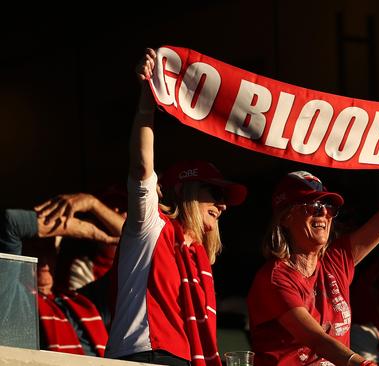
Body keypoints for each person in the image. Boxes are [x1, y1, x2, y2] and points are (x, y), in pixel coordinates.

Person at [247, 114, 379, 366]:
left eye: (327, 206)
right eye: (312, 204)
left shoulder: (336, 259)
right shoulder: (274, 278)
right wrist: (363, 364)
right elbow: (317, 339)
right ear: (285, 217)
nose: (323, 212)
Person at [105, 48, 247, 366]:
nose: (222, 206)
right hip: (141, 355)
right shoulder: (151, 224)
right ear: (187, 191)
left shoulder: (197, 256)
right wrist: (146, 101)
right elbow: (142, 167)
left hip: (179, 359)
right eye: (214, 193)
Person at [0, 204, 119, 355]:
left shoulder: (82, 302)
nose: (43, 258)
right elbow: (11, 222)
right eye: (36, 247)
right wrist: (86, 229)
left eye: (49, 249)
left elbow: (141, 247)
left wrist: (92, 204)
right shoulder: (10, 298)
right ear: (20, 254)